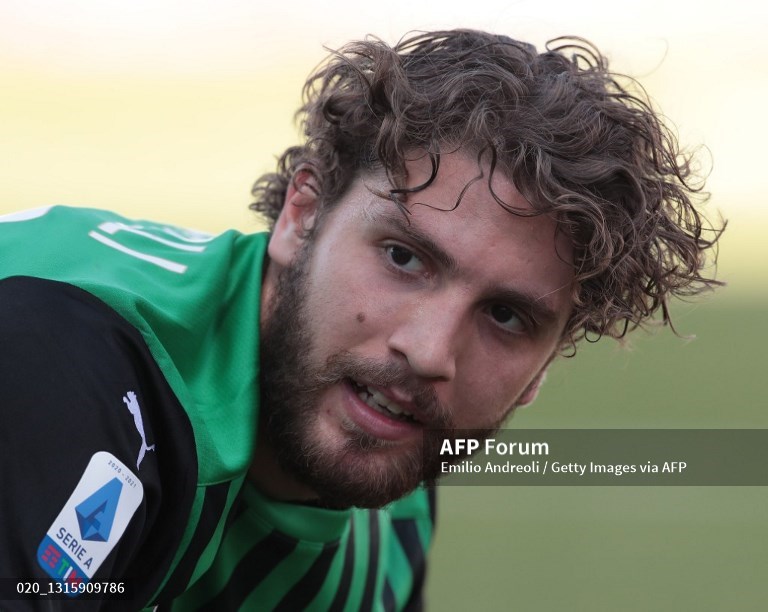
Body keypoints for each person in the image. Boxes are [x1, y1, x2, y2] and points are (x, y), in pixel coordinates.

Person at [0, 29, 722, 610]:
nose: (430, 351)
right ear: (302, 214)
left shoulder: (391, 488)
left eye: (505, 315)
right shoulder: (67, 367)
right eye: (404, 258)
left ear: (543, 367)